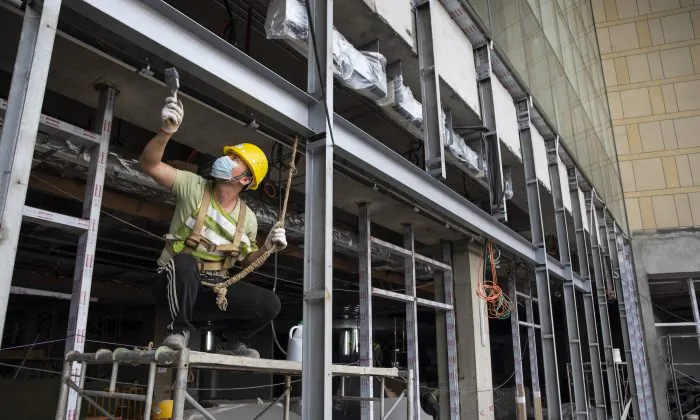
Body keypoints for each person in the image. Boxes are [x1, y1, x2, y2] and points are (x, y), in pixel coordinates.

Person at [139, 96, 285, 357]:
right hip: (173, 283)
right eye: (229, 156)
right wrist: (166, 132)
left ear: (245, 179)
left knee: (270, 303)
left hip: (215, 291)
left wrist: (268, 246)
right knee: (185, 261)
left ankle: (231, 342)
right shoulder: (193, 186)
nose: (227, 160)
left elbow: (246, 262)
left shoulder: (247, 218)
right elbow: (150, 164)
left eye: (235, 160)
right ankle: (179, 331)